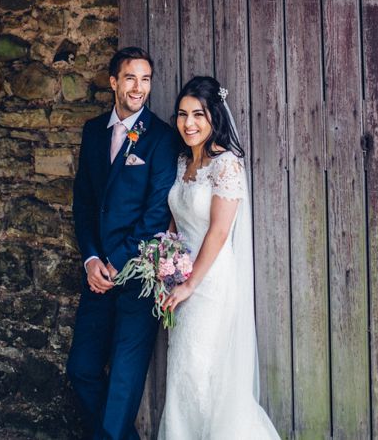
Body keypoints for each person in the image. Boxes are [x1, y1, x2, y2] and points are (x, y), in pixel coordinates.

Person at [67, 47, 180, 440]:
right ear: (114, 82)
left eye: (145, 79)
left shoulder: (162, 139)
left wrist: (117, 262)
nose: (139, 87)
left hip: (137, 277)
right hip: (97, 276)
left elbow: (155, 213)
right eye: (131, 78)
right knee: (81, 369)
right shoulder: (92, 131)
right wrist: (92, 259)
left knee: (123, 385)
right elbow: (83, 201)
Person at [157, 76, 280, 439]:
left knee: (203, 370)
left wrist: (190, 283)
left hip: (210, 283)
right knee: (184, 371)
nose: (188, 123)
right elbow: (175, 223)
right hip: (181, 281)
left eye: (198, 114)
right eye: (182, 114)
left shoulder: (226, 164)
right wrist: (165, 268)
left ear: (214, 118)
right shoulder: (182, 163)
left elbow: (219, 231)